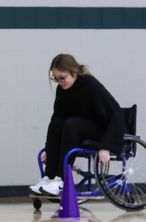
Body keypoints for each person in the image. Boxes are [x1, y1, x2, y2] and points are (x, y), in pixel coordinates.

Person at [30, 53, 125, 197]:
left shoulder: (90, 85)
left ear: (73, 73)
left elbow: (115, 112)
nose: (60, 82)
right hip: (80, 128)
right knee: (57, 121)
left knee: (70, 123)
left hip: (101, 129)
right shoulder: (62, 90)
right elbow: (58, 117)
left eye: (62, 78)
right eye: (56, 79)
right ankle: (49, 178)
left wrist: (106, 146)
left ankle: (61, 179)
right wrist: (50, 149)